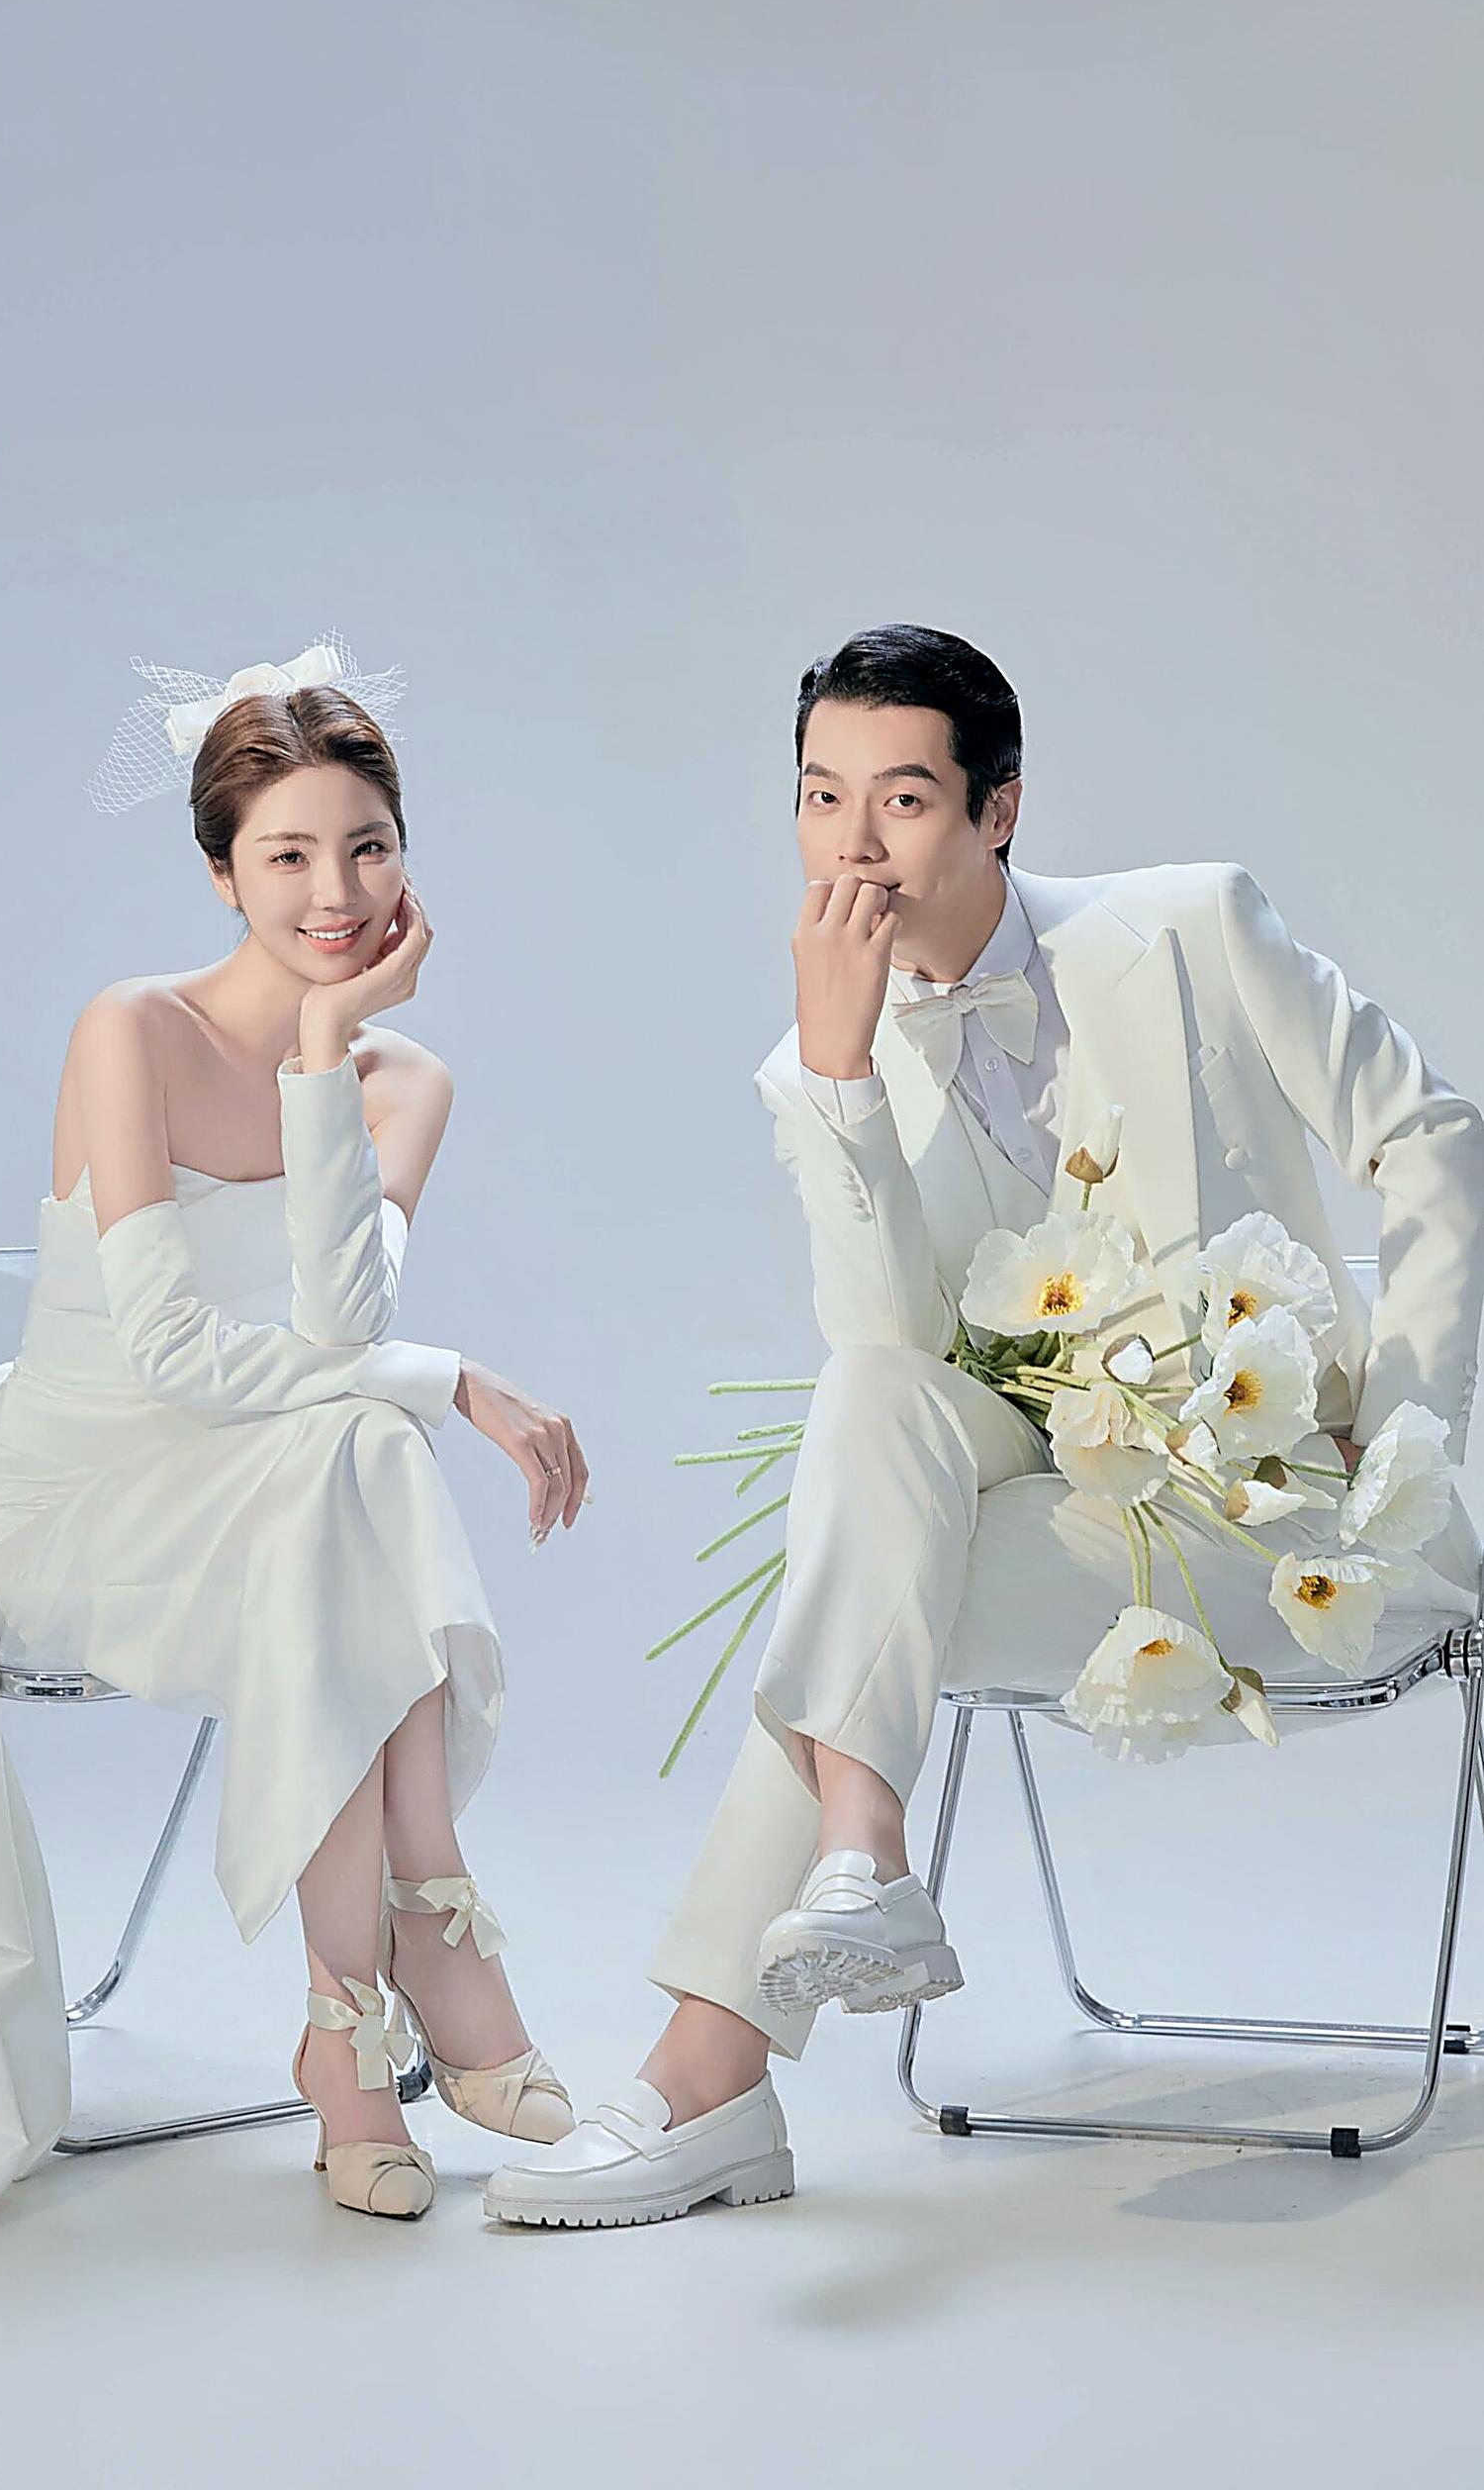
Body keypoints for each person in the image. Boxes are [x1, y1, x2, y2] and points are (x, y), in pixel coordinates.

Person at [483, 622, 1484, 2230]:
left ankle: (709, 2070)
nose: (852, 846)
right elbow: (890, 1346)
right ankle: (852, 1877)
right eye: (818, 799)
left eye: (899, 800)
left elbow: (1433, 1137)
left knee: (856, 1601)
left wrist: (1399, 1427)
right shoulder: (813, 1064)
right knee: (870, 1403)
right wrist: (840, 1072)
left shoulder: (1193, 928)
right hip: (1062, 1523)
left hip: (1292, 1526)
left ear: (995, 809)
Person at [0, 644, 588, 2290]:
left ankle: (344, 2035)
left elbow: (337, 1320)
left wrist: (328, 1053)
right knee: (361, 1442)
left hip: (268, 1487)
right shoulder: (130, 1030)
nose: (335, 892)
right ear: (221, 872)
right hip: (71, 1484)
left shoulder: (406, 1081)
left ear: (406, 857)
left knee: (343, 1456)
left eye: (366, 846)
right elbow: (166, 1356)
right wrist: (450, 1380)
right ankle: (426, 1941)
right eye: (287, 855)